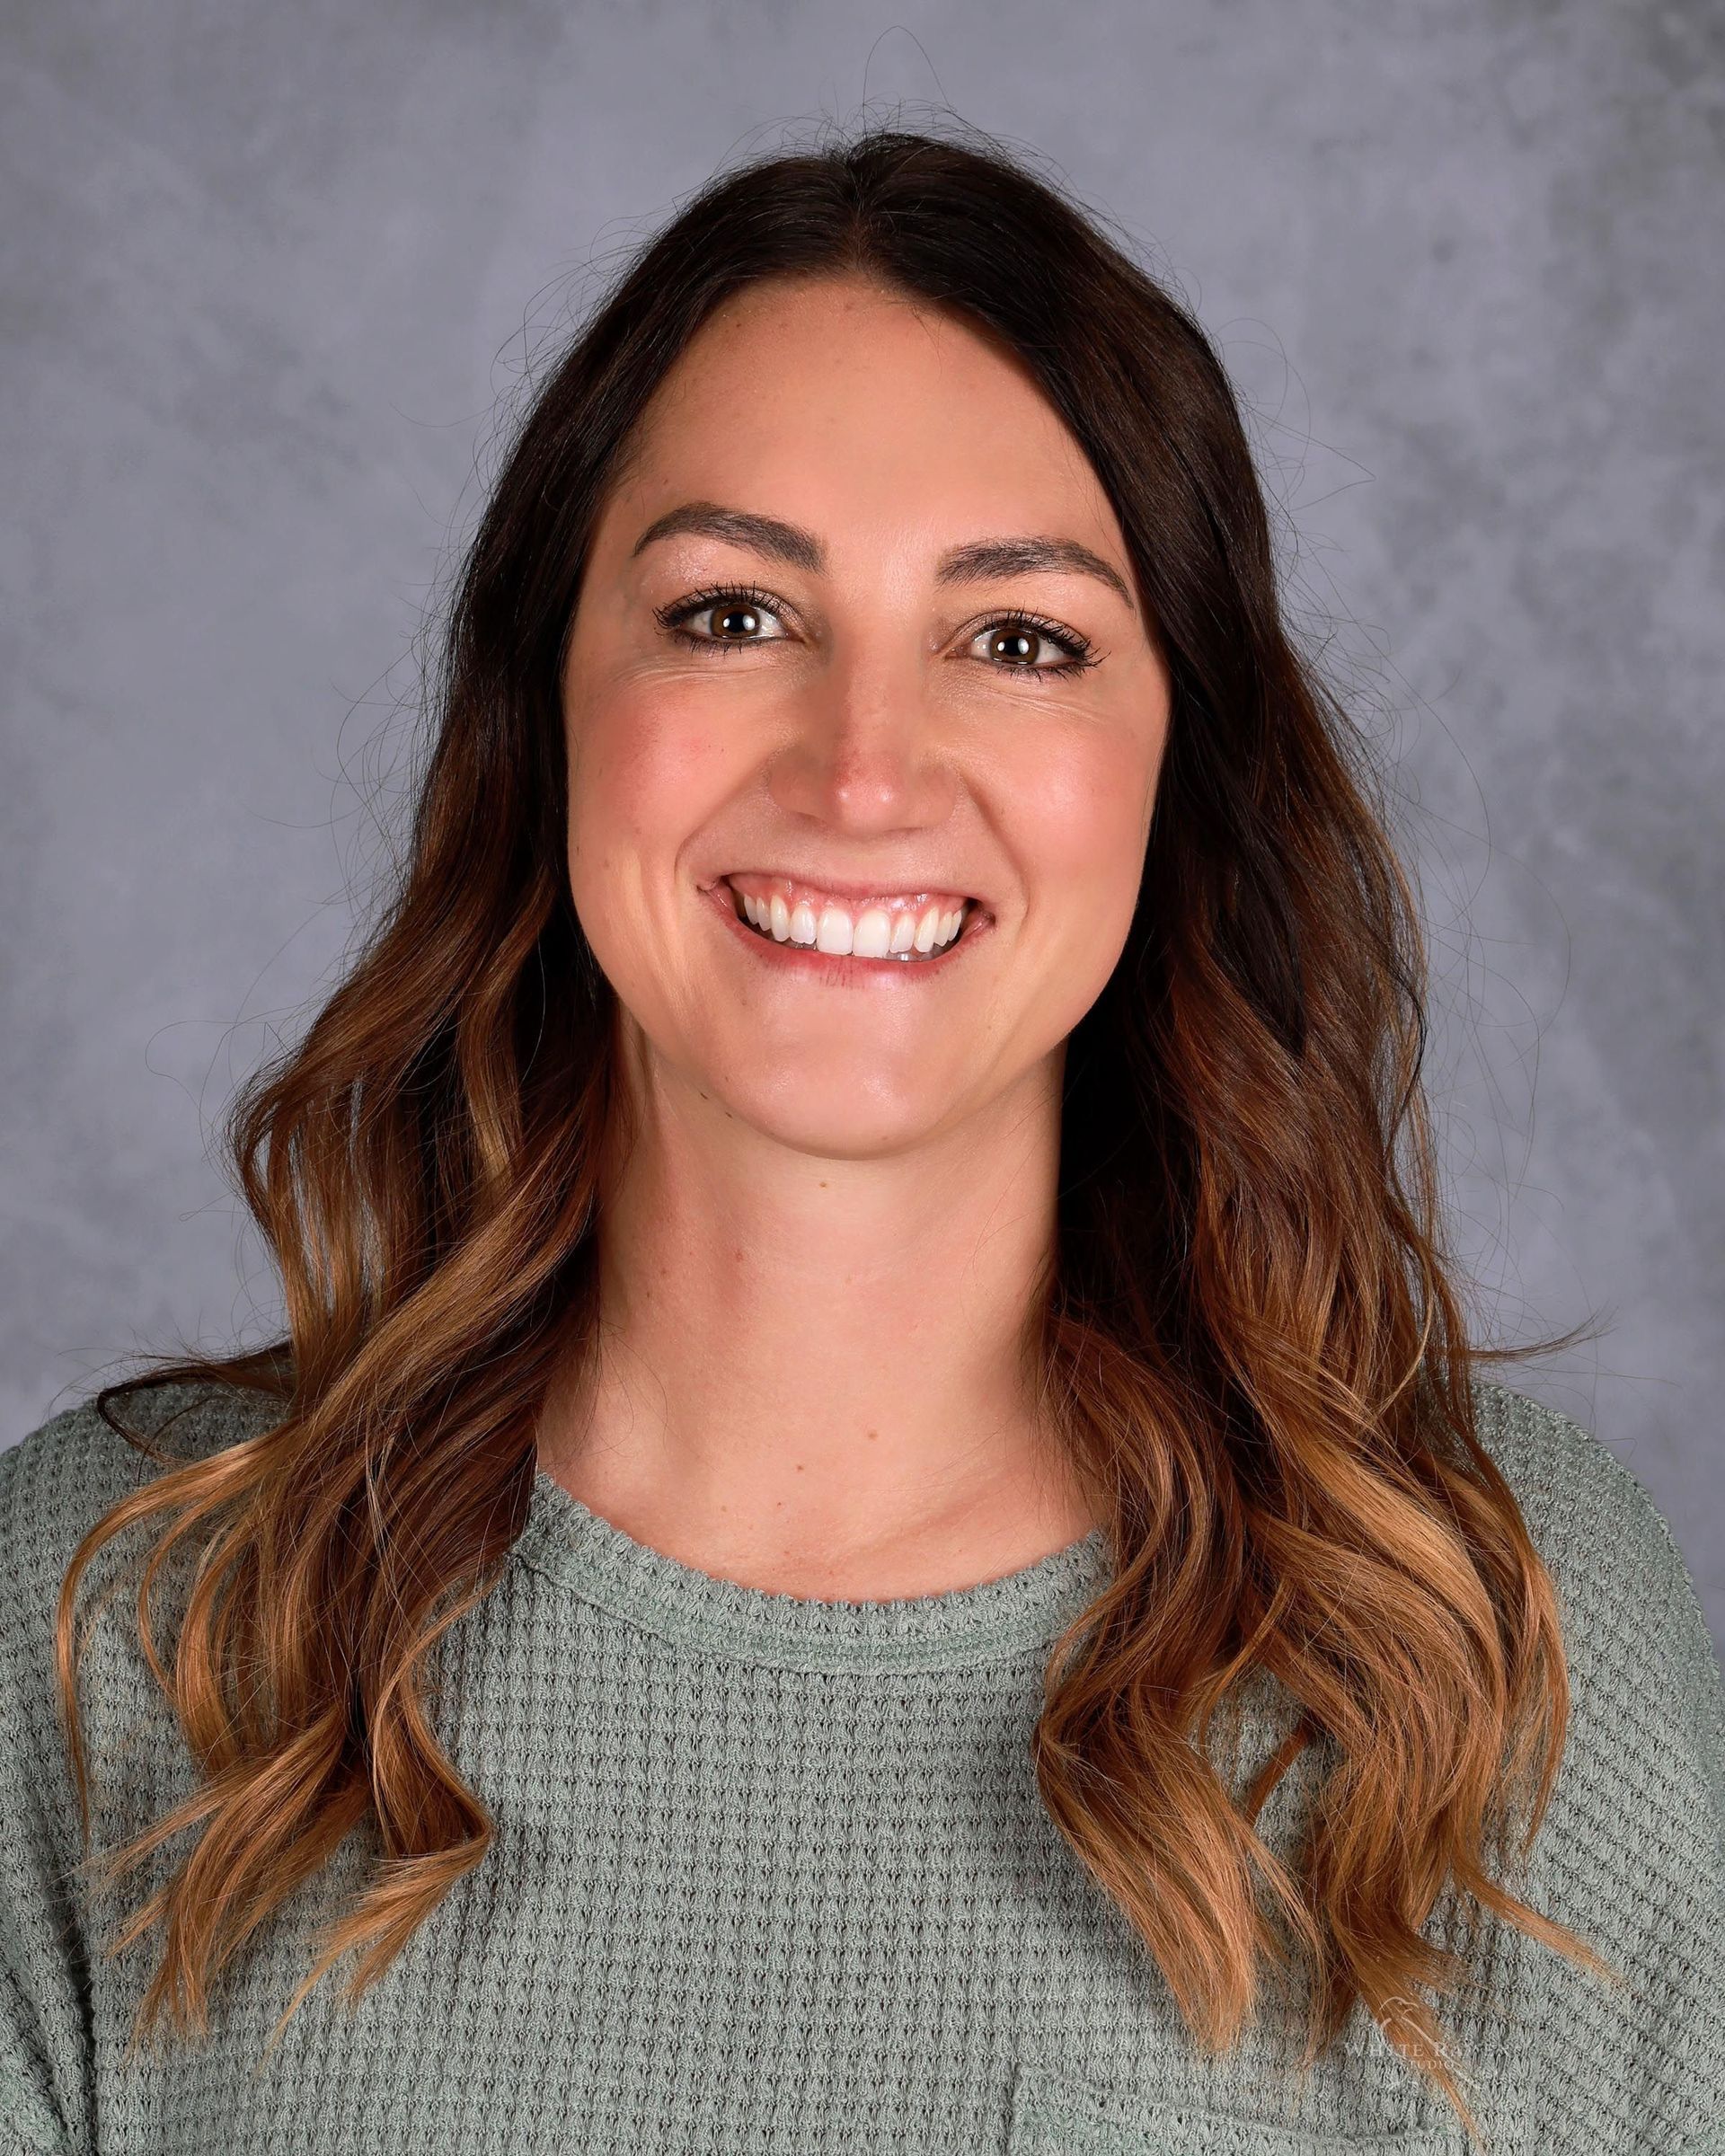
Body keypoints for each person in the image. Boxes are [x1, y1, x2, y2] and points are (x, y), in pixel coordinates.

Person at [2, 123, 1720, 2156]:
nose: (865, 769)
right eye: (733, 615)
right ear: (544, 706)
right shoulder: (121, 1619)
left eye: (1021, 640)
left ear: (1183, 764)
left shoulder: (1484, 1632)